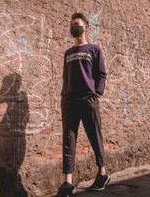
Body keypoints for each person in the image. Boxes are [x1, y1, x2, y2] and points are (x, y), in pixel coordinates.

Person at [57, 13, 110, 196]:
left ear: (85, 27)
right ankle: (68, 183)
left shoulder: (94, 49)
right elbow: (65, 77)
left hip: (88, 100)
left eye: (77, 24)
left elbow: (101, 74)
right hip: (70, 101)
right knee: (68, 141)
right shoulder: (68, 53)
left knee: (95, 137)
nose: (74, 27)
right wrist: (64, 94)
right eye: (72, 24)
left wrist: (97, 94)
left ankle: (103, 172)